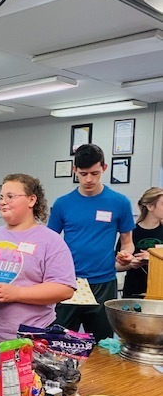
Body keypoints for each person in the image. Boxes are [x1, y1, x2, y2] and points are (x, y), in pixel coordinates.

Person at [0, 173, 76, 366]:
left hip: (27, 343)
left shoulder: (51, 241)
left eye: (10, 197)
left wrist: (17, 293)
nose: (3, 202)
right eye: (0, 197)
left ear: (31, 200)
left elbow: (65, 288)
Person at [48, 143, 135, 342]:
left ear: (104, 168)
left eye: (95, 173)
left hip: (103, 283)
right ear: (74, 171)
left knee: (102, 344)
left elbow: (128, 243)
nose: (89, 179)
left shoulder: (119, 202)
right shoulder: (63, 204)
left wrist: (126, 254)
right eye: (83, 173)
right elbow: (50, 243)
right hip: (69, 283)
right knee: (60, 342)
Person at [115, 187, 163, 298]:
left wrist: (153, 258)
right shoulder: (131, 232)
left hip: (159, 291)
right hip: (134, 290)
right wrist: (131, 264)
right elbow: (116, 266)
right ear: (150, 206)